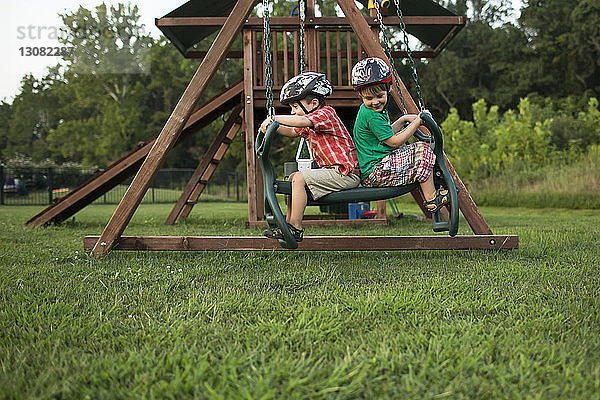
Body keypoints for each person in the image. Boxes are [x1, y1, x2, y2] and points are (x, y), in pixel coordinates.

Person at [259, 72, 360, 242]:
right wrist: (273, 128)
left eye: (295, 107)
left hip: (346, 173)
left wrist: (274, 118)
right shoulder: (311, 122)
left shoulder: (326, 114)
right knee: (292, 177)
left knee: (298, 178)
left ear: (314, 103)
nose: (292, 112)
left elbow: (300, 122)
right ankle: (288, 224)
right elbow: (292, 131)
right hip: (334, 173)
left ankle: (295, 227)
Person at [351, 57, 448, 212]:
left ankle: (433, 191)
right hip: (375, 172)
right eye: (369, 98)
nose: (375, 101)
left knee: (419, 151)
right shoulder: (372, 115)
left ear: (388, 90)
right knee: (422, 150)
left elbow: (386, 133)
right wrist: (417, 122)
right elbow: (394, 142)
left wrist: (403, 119)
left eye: (379, 96)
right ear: (361, 96)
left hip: (378, 168)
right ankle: (431, 199)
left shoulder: (369, 111)